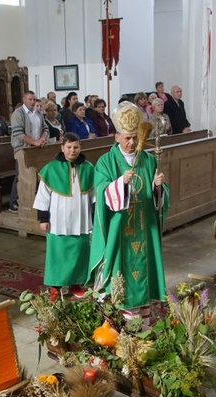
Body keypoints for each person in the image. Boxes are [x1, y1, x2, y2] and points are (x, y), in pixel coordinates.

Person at [89, 102, 168, 311]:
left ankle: (145, 307)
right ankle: (117, 307)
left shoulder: (148, 160)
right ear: (117, 137)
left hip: (144, 224)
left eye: (134, 137)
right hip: (119, 226)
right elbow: (100, 191)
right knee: (118, 266)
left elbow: (159, 196)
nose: (131, 142)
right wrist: (119, 183)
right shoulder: (106, 161)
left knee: (145, 265)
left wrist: (157, 187)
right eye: (127, 138)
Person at [34, 132, 94, 289]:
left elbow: (94, 197)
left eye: (76, 147)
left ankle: (76, 283)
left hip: (82, 220)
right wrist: (43, 219)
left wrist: (94, 218)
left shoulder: (89, 168)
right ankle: (56, 286)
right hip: (58, 221)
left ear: (80, 148)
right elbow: (42, 196)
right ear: (62, 147)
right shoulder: (51, 169)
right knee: (58, 255)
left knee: (80, 253)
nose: (72, 150)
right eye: (68, 147)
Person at [9, 90, 48, 213]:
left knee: (35, 174)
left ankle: (33, 199)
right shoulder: (18, 113)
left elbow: (45, 128)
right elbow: (18, 133)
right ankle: (13, 202)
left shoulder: (38, 113)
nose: (32, 102)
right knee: (20, 175)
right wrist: (34, 142)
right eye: (30, 99)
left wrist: (42, 138)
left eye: (34, 99)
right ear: (24, 100)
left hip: (36, 148)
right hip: (22, 148)